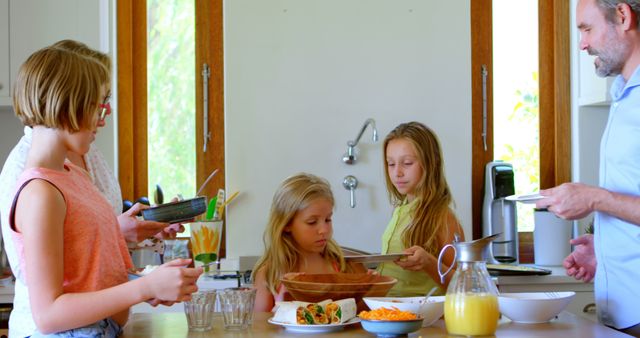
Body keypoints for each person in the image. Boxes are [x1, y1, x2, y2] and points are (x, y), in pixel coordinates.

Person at [6, 46, 202, 337]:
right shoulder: (39, 192)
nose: (103, 117)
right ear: (66, 104)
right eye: (97, 105)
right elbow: (48, 314)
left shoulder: (74, 175)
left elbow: (87, 272)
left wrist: (153, 284)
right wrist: (143, 287)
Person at [536, 0, 640, 335]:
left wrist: (593, 199)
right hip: (620, 313)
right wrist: (606, 250)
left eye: (587, 28)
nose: (582, 43)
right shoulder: (623, 94)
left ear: (623, 16)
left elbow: (608, 198)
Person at [251, 173, 366, 312]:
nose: (324, 229)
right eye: (312, 222)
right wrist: (280, 310)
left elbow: (362, 317)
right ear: (286, 224)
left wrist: (371, 291)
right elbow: (260, 328)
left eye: (328, 220)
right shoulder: (270, 274)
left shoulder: (345, 266)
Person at [377, 121, 464, 297]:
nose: (397, 172)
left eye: (407, 163)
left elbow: (462, 285)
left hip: (422, 318)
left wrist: (429, 263)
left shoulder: (443, 217)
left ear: (430, 164)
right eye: (391, 164)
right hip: (391, 314)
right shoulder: (399, 211)